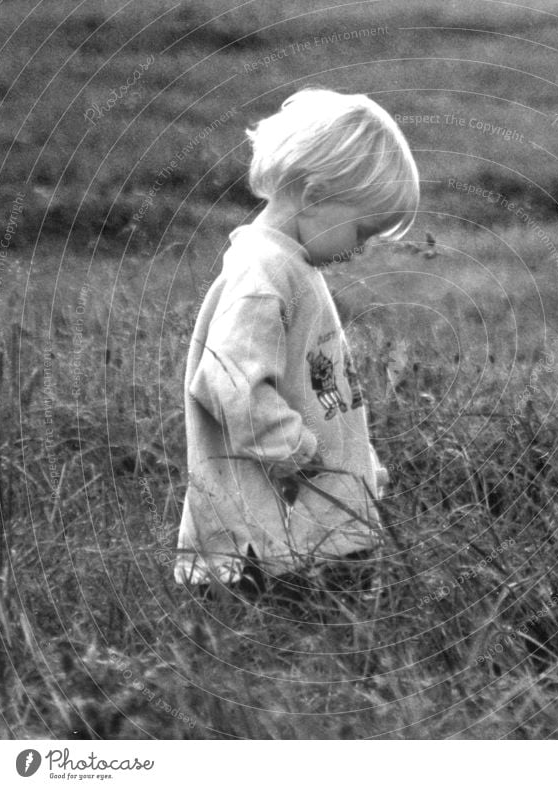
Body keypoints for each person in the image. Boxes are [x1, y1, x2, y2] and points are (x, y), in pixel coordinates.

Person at [174, 88, 420, 602]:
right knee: (296, 637)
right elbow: (231, 383)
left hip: (318, 514)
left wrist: (359, 464)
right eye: (363, 228)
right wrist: (295, 449)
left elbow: (314, 381)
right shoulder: (262, 274)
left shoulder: (292, 262)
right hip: (274, 534)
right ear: (312, 194)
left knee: (342, 634)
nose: (363, 247)